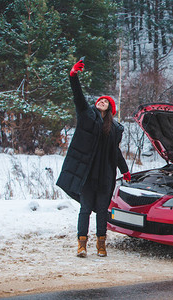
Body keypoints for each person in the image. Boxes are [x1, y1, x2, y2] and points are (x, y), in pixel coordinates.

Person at [56, 59, 131, 258]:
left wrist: (125, 170)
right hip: (87, 174)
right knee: (85, 209)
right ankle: (81, 245)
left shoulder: (115, 129)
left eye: (106, 101)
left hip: (105, 176)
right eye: (100, 99)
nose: (101, 101)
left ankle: (101, 244)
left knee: (102, 211)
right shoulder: (86, 115)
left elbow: (115, 152)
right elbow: (78, 97)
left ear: (110, 109)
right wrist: (73, 76)